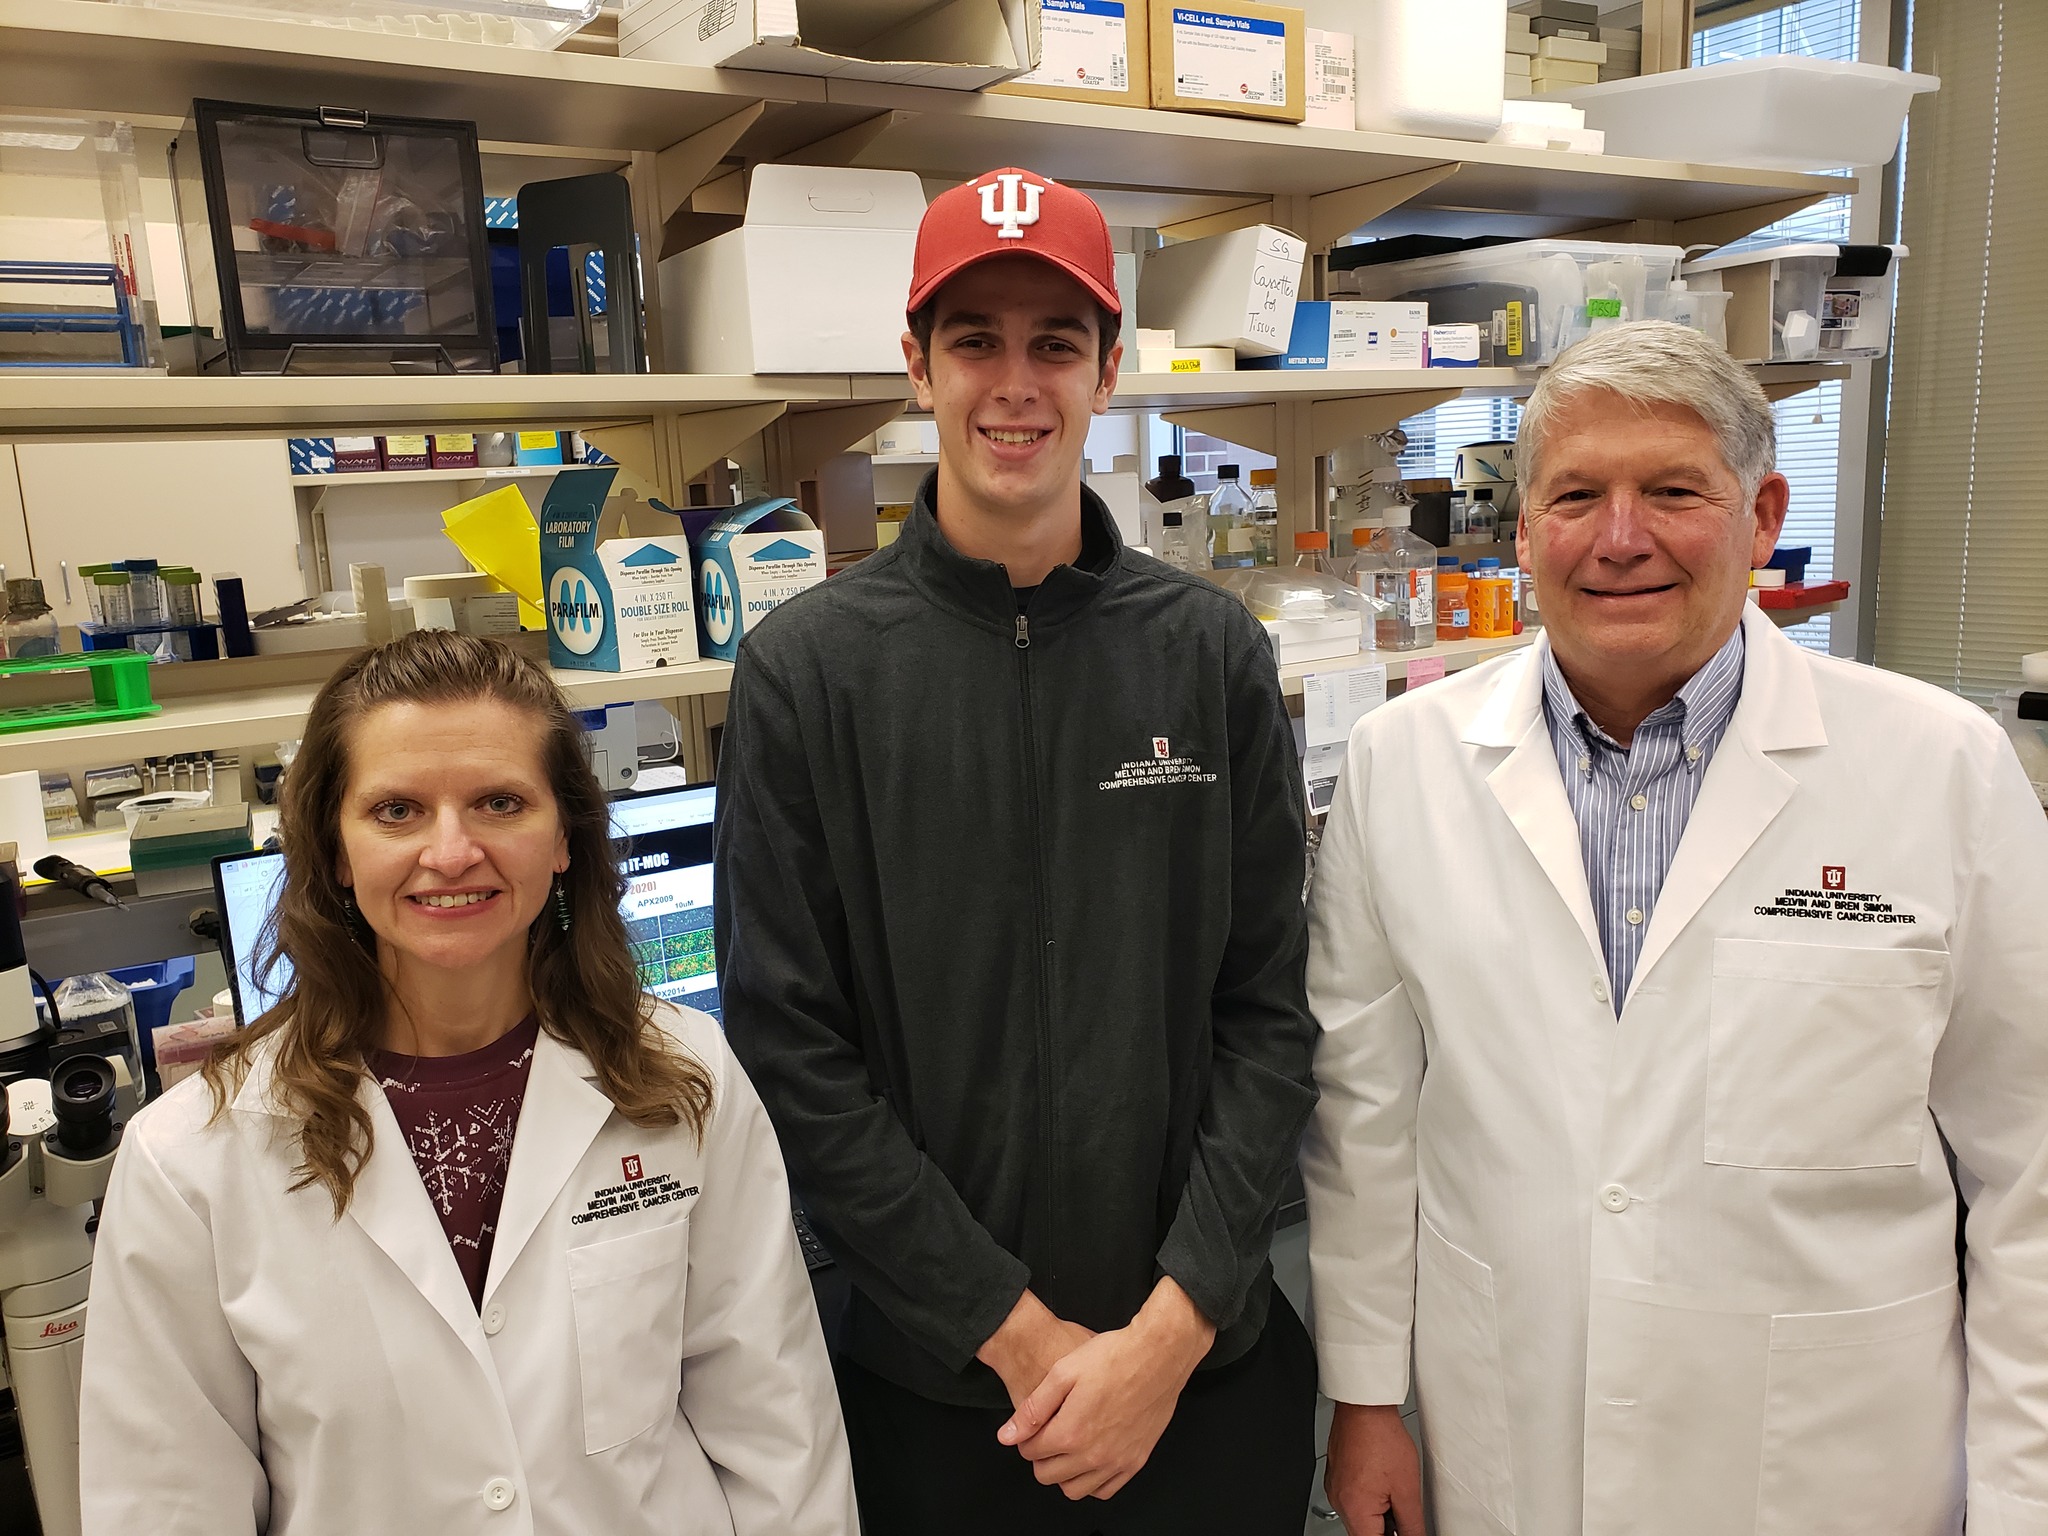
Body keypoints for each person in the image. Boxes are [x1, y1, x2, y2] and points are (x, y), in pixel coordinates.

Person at [1302, 319, 2048, 1536]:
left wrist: (2023, 1500)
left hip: (1830, 1460)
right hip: (1510, 1432)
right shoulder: (1403, 764)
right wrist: (1366, 1399)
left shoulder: (1941, 768)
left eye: (1671, 491)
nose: (1618, 538)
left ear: (1759, 515)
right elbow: (1366, 1119)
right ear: (1525, 528)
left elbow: (2029, 1173)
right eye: (1575, 496)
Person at [714, 166, 1320, 1534]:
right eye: (975, 340)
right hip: (942, 1400)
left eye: (1055, 343)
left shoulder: (1209, 652)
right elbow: (792, 1056)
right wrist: (1023, 1339)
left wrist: (1164, 1340)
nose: (1015, 383)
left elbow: (1270, 1016)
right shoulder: (809, 672)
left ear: (1109, 371)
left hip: (1203, 1386)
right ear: (916, 366)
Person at [78, 630, 855, 1536]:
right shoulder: (191, 1163)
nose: (451, 852)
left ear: (564, 837)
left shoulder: (684, 1077)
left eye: (499, 802)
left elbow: (779, 1433)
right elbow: (165, 1507)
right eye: (397, 811)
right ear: (335, 851)